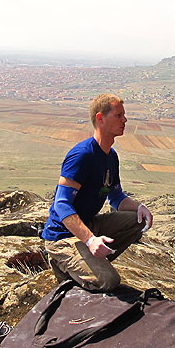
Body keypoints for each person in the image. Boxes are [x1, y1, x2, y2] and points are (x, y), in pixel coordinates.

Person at [40, 93, 153, 291]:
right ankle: (64, 263)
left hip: (89, 224)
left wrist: (139, 207)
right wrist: (90, 240)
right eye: (118, 115)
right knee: (109, 281)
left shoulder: (111, 156)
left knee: (137, 220)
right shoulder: (82, 155)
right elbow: (61, 204)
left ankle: (94, 260)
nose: (125, 120)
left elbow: (116, 197)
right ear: (100, 118)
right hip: (62, 237)